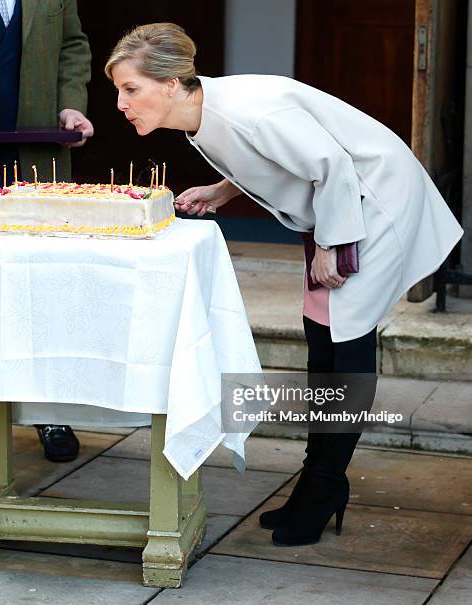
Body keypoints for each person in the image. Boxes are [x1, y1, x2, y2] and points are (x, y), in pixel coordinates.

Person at [104, 23, 463, 546]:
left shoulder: (248, 108)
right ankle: (317, 483)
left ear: (172, 81)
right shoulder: (207, 112)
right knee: (320, 337)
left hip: (371, 202)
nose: (120, 103)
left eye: (130, 89)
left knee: (346, 342)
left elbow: (333, 163)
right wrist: (225, 192)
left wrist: (329, 244)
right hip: (339, 206)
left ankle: (322, 489)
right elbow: (278, 157)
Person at [0, 0, 93, 462]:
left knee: (41, 282)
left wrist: (71, 105)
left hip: (36, 150)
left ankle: (49, 410)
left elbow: (73, 45)